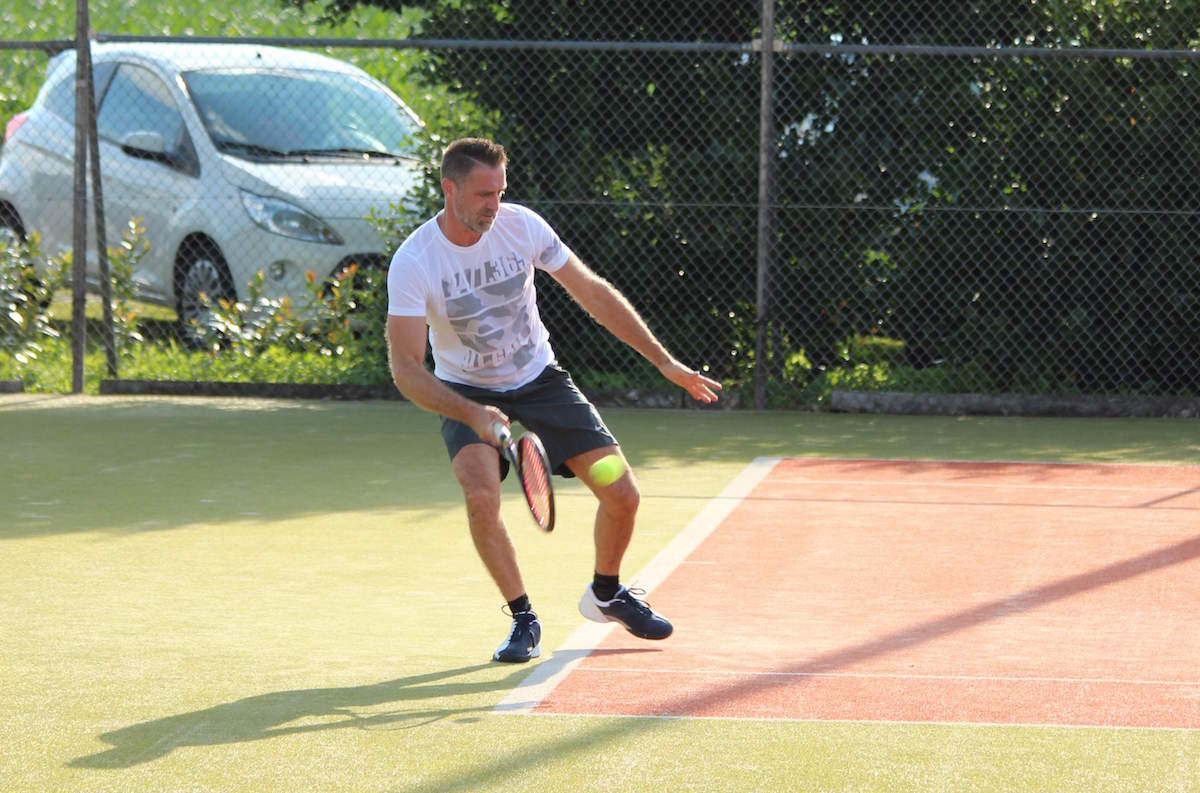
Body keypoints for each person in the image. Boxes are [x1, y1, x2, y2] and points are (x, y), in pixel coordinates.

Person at [385, 137, 721, 663]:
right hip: (465, 390)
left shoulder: (522, 226)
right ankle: (524, 618)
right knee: (481, 495)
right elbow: (405, 368)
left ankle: (606, 592)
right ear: (450, 189)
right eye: (482, 195)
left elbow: (593, 293)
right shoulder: (415, 261)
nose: (493, 205)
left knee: (622, 493)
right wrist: (472, 412)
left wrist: (664, 362)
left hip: (540, 380)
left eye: (499, 192)